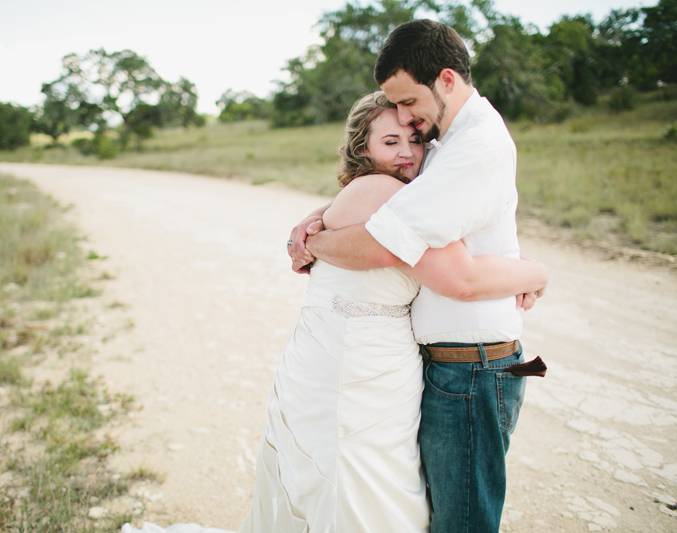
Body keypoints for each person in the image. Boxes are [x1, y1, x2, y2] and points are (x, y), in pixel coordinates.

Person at [123, 90, 547, 533]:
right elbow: (461, 277)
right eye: (390, 142)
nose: (407, 151)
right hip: (353, 362)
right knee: (358, 484)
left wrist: (311, 231)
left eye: (415, 140)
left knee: (366, 482)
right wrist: (535, 273)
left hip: (360, 355)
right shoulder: (385, 193)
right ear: (363, 148)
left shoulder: (382, 193)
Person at [288, 19, 540, 533]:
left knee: (461, 523)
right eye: (395, 111)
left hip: (472, 366)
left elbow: (416, 256)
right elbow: (395, 196)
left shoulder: (475, 148)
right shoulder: (445, 135)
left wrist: (314, 242)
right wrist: (326, 211)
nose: (406, 119)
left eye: (408, 103)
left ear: (446, 79)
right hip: (447, 364)